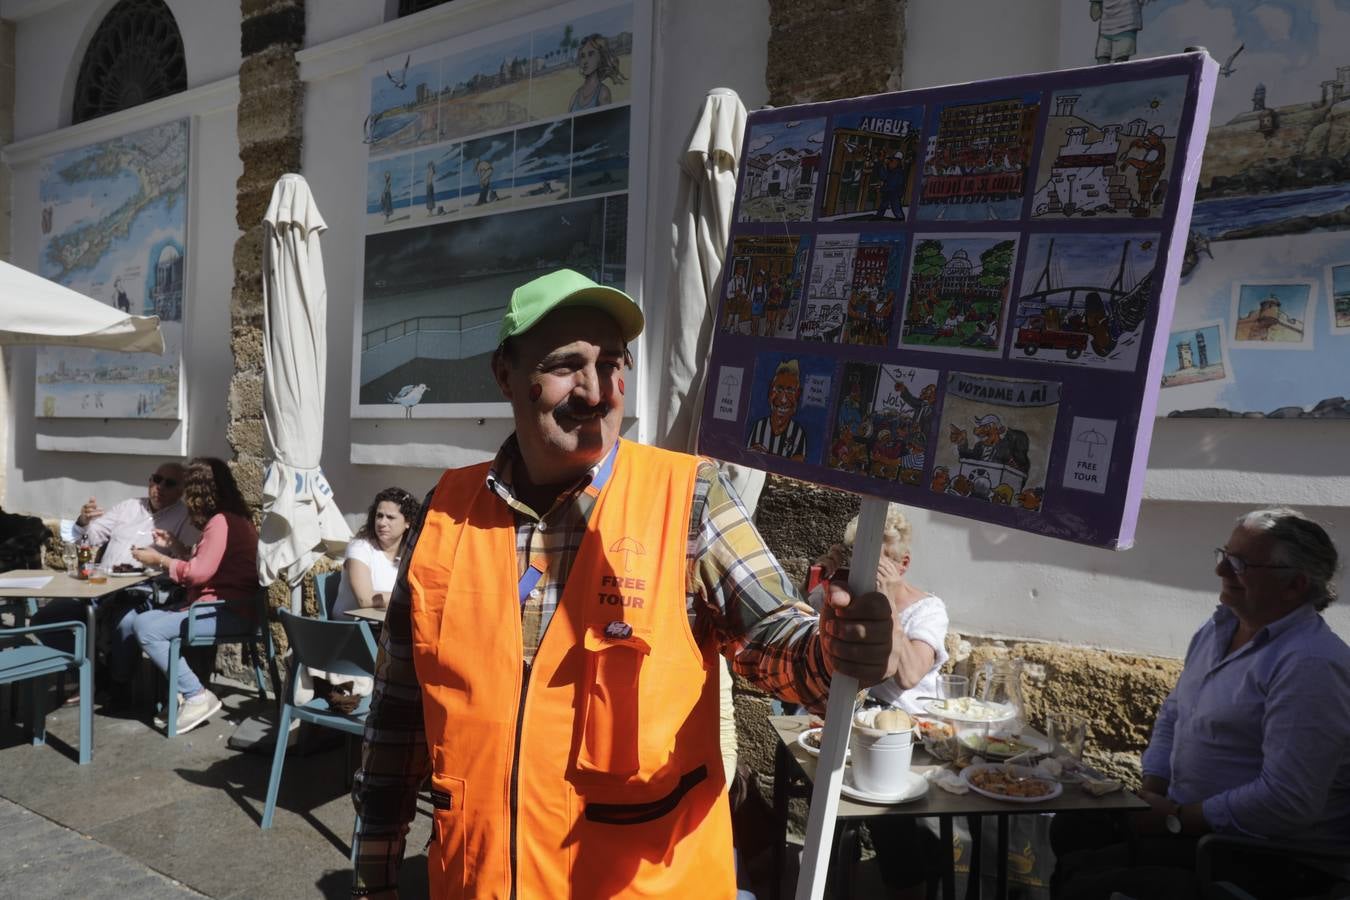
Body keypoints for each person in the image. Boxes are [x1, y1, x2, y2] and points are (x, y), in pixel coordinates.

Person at [350, 269, 908, 899]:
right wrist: (374, 877)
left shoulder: (689, 497)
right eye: (567, 365)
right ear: (505, 374)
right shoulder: (444, 514)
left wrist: (838, 647)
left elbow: (781, 646)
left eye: (612, 364)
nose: (596, 390)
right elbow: (397, 719)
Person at [1051, 507, 1350, 900]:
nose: (1222, 571)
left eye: (1240, 563)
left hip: (1266, 857)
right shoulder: (1219, 627)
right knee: (1073, 827)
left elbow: (1287, 800)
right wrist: (1150, 793)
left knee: (1088, 884)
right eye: (1224, 555)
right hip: (1193, 825)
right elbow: (1175, 712)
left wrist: (1176, 818)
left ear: (1293, 586)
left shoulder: (1311, 663)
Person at [808, 506, 949, 899]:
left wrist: (888, 607)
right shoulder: (856, 595)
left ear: (902, 564)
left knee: (889, 817)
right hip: (862, 725)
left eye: (882, 560)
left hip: (912, 735)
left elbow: (906, 675)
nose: (871, 569)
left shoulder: (928, 610)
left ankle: (907, 888)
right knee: (830, 797)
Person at [31, 461, 199, 704]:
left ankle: (118, 684)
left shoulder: (184, 517)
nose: (159, 487)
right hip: (102, 585)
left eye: (169, 483)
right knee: (43, 620)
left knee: (127, 622)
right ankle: (93, 672)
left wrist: (170, 547)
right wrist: (83, 521)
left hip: (146, 591)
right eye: (156, 479)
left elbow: (188, 560)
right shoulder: (129, 506)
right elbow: (89, 538)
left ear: (182, 489)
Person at [129, 458, 259, 734]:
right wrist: (176, 546)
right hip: (229, 609)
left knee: (145, 626)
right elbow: (210, 564)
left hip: (227, 613)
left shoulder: (220, 523)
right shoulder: (234, 520)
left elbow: (199, 573)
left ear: (201, 492)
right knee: (148, 619)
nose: (187, 500)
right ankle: (184, 693)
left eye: (190, 491)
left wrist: (159, 560)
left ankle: (195, 695)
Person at [331, 487, 420, 619]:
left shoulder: (412, 552)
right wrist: (411, 598)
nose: (382, 523)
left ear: (408, 522)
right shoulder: (360, 547)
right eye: (379, 516)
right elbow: (365, 600)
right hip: (353, 630)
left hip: (386, 626)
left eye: (390, 517)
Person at [746, 358, 808, 461]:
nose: (783, 399)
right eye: (779, 389)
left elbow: (796, 471)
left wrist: (765, 457)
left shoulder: (798, 434)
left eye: (790, 391)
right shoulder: (759, 426)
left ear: (798, 395)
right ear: (771, 391)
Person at [567, 33, 625, 112]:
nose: (585, 61)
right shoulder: (575, 96)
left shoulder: (603, 93)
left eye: (591, 54)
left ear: (600, 57)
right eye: (583, 56)